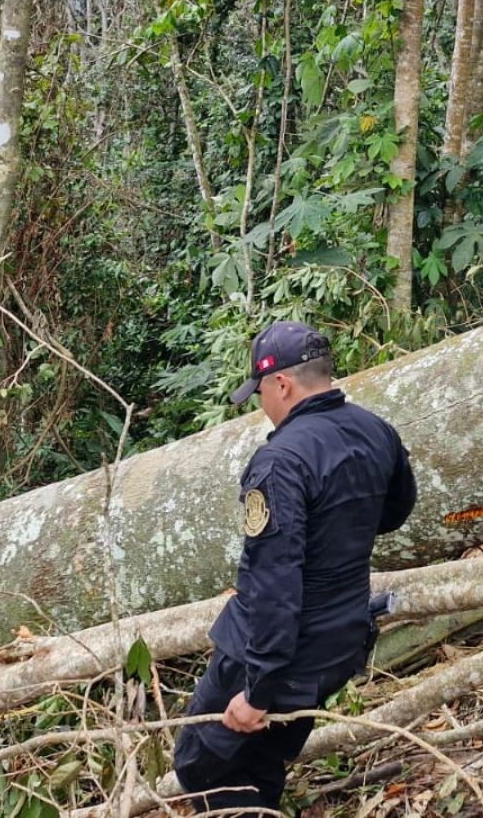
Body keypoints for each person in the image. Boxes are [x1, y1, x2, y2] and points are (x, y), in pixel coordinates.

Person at [173, 320, 416, 814]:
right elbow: (396, 512)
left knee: (199, 765)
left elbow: (274, 584)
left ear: (281, 384)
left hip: (280, 654)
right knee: (263, 759)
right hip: (338, 646)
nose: (261, 403)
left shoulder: (280, 462)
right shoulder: (376, 431)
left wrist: (257, 690)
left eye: (260, 390)